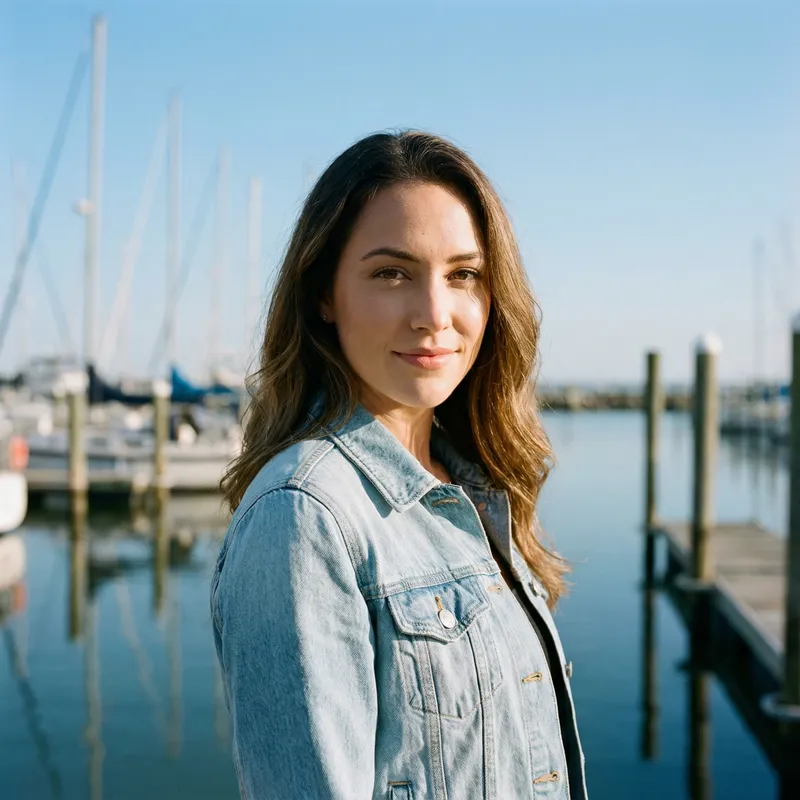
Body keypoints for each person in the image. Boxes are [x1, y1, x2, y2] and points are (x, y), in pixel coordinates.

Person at [211, 130, 587, 799]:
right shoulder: (304, 515)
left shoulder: (473, 486)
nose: (435, 315)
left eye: (464, 275)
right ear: (324, 293)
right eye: (392, 273)